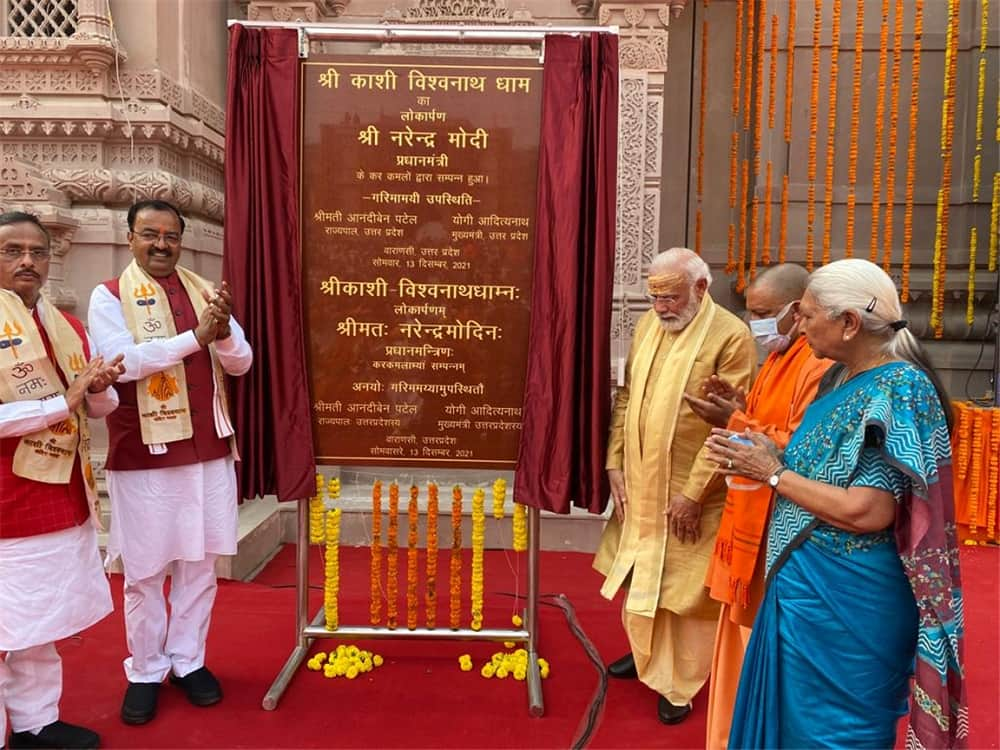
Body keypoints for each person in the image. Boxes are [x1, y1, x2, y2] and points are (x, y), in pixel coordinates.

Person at [706, 258, 966, 749]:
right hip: (803, 588)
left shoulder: (900, 388)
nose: (797, 327)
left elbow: (868, 510)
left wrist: (773, 473)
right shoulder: (839, 379)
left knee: (837, 736)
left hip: (849, 599)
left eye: (806, 315)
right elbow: (825, 470)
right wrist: (767, 453)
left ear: (849, 323)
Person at [88, 200, 253, 726]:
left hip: (207, 450)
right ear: (131, 237)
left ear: (182, 240)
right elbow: (123, 364)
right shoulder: (108, 295)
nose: (161, 245)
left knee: (200, 566)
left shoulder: (205, 292)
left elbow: (242, 361)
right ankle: (144, 669)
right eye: (149, 235)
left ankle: (188, 660)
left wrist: (222, 331)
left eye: (171, 236)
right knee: (145, 571)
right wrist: (195, 339)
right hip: (146, 455)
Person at [593, 247, 757, 725]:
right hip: (643, 481)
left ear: (701, 288)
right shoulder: (649, 326)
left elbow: (733, 425)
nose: (661, 307)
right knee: (643, 572)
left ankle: (679, 684)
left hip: (694, 491)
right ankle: (647, 659)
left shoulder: (732, 337)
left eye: (670, 297)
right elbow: (626, 399)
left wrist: (693, 493)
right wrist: (614, 462)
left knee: (685, 589)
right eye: (654, 297)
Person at [684, 264, 831, 750]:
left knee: (767, 651)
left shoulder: (820, 365)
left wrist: (738, 419)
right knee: (739, 647)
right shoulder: (779, 356)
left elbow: (811, 451)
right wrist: (740, 404)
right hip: (749, 521)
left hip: (780, 529)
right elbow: (768, 420)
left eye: (766, 314)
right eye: (751, 313)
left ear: (798, 310)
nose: (756, 324)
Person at [0, 211, 125, 749]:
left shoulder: (66, 325)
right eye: (12, 250)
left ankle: (36, 722)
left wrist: (97, 387)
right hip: (7, 502)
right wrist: (65, 400)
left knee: (39, 622)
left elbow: (99, 409)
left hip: (60, 496)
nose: (27, 261)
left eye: (37, 251)